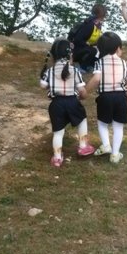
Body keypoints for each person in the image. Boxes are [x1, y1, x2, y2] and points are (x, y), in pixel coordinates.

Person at [40, 38, 95, 167]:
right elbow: (82, 90)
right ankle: (83, 146)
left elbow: (43, 85)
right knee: (82, 120)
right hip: (72, 102)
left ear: (54, 55)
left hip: (56, 104)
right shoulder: (74, 71)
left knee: (58, 132)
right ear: (70, 54)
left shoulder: (50, 71)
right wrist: (83, 96)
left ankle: (57, 158)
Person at [85, 31, 127, 164]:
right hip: (121, 98)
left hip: (105, 97)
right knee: (118, 126)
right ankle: (115, 154)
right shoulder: (125, 64)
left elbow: (96, 79)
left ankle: (106, 145)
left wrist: (85, 92)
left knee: (102, 123)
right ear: (118, 48)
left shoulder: (99, 63)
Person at [69, 3, 107, 73]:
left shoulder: (98, 25)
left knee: (101, 51)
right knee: (93, 50)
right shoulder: (89, 25)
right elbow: (78, 40)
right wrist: (88, 45)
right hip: (76, 50)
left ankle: (91, 66)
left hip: (86, 48)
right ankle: (81, 66)